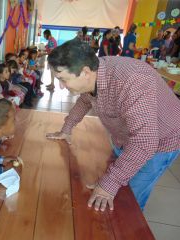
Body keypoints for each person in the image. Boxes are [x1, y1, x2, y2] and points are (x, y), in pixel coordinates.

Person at [46, 39, 180, 211]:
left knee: (128, 201)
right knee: (115, 187)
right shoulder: (94, 75)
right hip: (127, 138)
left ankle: (129, 234)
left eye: (63, 79)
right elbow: (85, 100)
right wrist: (67, 128)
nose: (61, 86)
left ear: (85, 72)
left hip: (160, 142)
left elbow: (145, 142)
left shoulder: (132, 81)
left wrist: (111, 182)